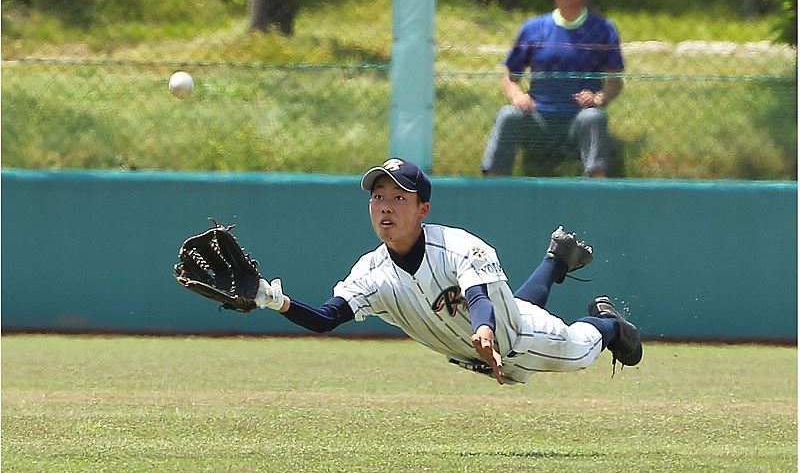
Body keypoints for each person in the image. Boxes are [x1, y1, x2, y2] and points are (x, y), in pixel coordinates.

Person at [253, 157, 642, 385]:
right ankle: (556, 260)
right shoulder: (371, 272)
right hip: (490, 335)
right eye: (378, 197)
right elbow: (326, 319)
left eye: (399, 198)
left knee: (577, 352)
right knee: (518, 306)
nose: (385, 207)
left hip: (517, 339)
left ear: (423, 209)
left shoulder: (456, 246)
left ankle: (610, 325)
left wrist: (485, 329)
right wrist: (275, 301)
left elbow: (478, 297)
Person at [481, 0, 624, 179]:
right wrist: (518, 97)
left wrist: (598, 99)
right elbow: (510, 77)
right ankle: (493, 186)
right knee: (508, 115)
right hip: (538, 119)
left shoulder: (604, 28)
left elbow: (615, 81)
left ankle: (598, 188)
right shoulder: (533, 28)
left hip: (578, 122)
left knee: (594, 118)